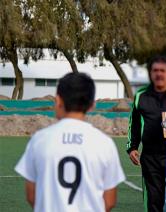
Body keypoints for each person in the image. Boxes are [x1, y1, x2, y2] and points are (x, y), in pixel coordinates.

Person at [15, 73, 125, 212]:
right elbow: (109, 201)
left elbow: (32, 196)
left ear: (58, 100)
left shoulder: (39, 140)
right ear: (92, 105)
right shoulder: (105, 143)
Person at [127, 55, 166, 212]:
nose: (159, 74)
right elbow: (134, 122)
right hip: (150, 158)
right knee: (154, 201)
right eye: (155, 70)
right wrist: (132, 147)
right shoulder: (141, 95)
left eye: (162, 70)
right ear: (150, 73)